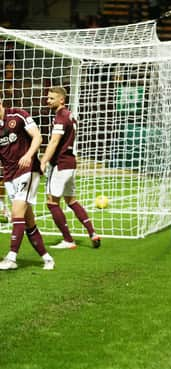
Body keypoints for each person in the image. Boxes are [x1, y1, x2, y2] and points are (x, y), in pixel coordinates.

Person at [40, 86, 101, 249]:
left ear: (62, 99)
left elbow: (54, 141)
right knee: (71, 200)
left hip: (60, 164)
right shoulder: (70, 116)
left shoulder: (61, 116)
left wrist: (43, 160)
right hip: (70, 163)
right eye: (48, 98)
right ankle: (92, 233)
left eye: (51, 98)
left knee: (51, 202)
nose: (48, 101)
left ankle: (68, 240)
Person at [0, 96, 55, 270]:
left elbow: (37, 137)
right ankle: (47, 258)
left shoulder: (18, 115)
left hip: (28, 170)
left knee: (17, 212)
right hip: (9, 176)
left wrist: (28, 155)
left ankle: (11, 257)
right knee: (28, 221)